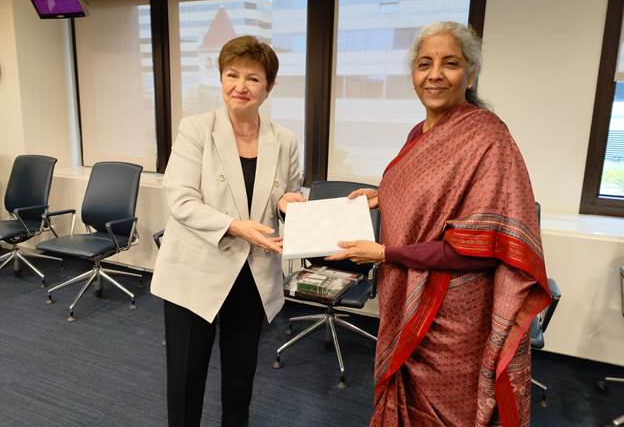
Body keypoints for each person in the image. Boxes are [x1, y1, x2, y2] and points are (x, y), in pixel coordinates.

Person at [326, 22, 551, 427]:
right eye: (424, 64)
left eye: (449, 64)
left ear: (471, 73)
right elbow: (425, 196)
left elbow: (481, 247)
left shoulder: (488, 137)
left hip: (454, 316)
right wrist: (381, 194)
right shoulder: (420, 132)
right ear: (413, 74)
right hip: (406, 295)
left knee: (448, 411)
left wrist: (385, 253)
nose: (434, 74)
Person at [151, 35, 305, 427]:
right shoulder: (196, 129)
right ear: (220, 79)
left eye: (253, 78)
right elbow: (182, 200)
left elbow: (286, 191)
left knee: (240, 380)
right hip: (196, 271)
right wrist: (235, 227)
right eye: (232, 74)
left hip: (252, 275)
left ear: (268, 87)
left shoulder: (284, 140)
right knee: (187, 380)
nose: (241, 86)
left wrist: (288, 202)